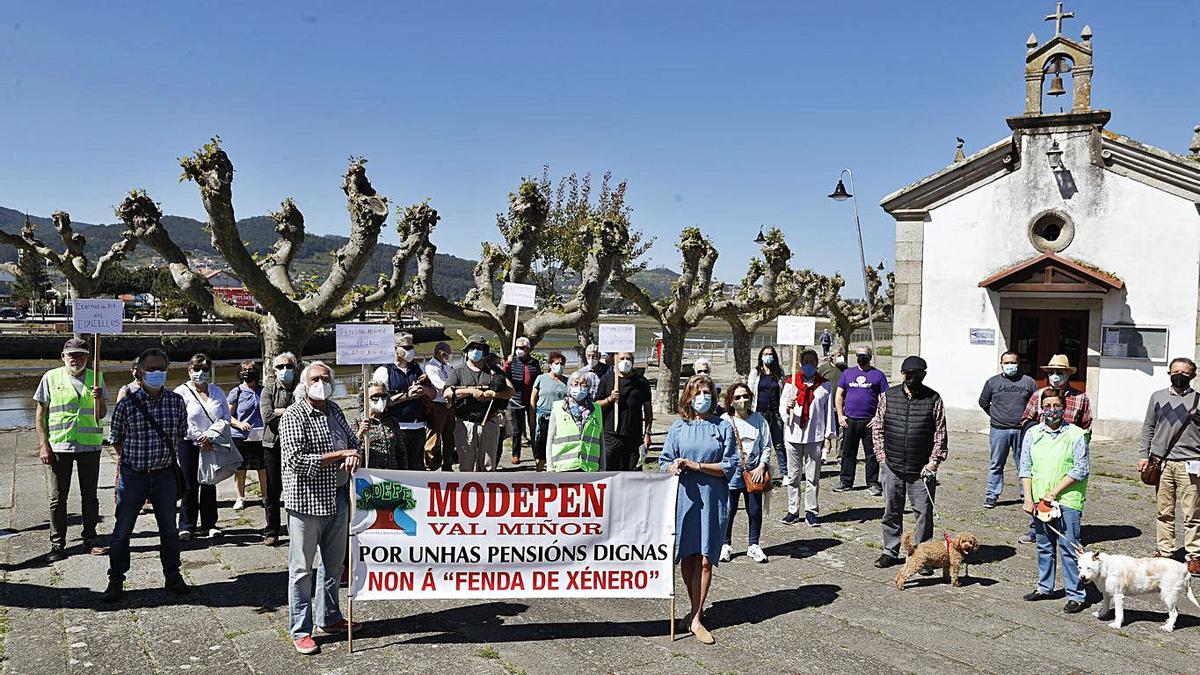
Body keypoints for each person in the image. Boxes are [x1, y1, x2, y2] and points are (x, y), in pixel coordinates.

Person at [278, 361, 362, 655]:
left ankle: (330, 616)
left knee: (333, 565)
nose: (321, 382)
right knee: (301, 570)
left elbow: (354, 444)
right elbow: (295, 460)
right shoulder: (293, 415)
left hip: (338, 498)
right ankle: (301, 629)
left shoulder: (336, 410)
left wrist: (354, 455)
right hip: (305, 503)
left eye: (326, 378)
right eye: (315, 378)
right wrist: (341, 453)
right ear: (305, 382)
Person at [103, 348, 191, 602]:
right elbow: (116, 440)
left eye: (160, 369)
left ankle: (173, 576)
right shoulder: (127, 404)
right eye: (150, 369)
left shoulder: (176, 402)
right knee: (122, 531)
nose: (156, 374)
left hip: (164, 476)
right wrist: (135, 463)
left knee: (169, 531)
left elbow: (180, 433)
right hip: (133, 477)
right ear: (140, 372)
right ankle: (116, 579)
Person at [660, 375, 738, 644]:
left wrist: (699, 466)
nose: (702, 396)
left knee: (706, 558)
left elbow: (730, 466)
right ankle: (696, 608)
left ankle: (694, 618)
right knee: (689, 556)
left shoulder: (723, 427)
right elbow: (664, 461)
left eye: (707, 392)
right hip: (685, 497)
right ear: (688, 397)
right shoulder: (678, 427)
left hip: (713, 497)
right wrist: (673, 466)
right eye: (697, 392)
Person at [35, 337, 109, 562]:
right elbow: (40, 414)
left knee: (90, 497)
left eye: (81, 355)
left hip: (89, 446)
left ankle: (91, 539)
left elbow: (102, 414)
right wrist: (43, 445)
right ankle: (57, 544)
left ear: (88, 357)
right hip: (59, 445)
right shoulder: (51, 377)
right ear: (63, 357)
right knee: (57, 498)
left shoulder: (96, 377)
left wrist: (99, 400)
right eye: (72, 355)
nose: (76, 359)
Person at [871, 356, 948, 569]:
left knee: (923, 513)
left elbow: (940, 433)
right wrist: (882, 459)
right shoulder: (888, 396)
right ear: (903, 374)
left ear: (923, 375)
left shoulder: (933, 398)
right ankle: (890, 550)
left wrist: (933, 462)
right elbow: (878, 427)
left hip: (921, 468)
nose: (913, 378)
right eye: (909, 374)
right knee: (891, 510)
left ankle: (923, 556)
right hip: (892, 464)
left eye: (917, 375)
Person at [1020, 388, 1090, 613]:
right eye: (1047, 406)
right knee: (1043, 545)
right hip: (1040, 501)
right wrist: (1028, 498)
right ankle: (1044, 587)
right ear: (1041, 408)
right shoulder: (1033, 433)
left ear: (1064, 408)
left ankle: (1076, 594)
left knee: (1069, 547)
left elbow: (1080, 468)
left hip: (1067, 499)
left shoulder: (1077, 434)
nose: (1052, 410)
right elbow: (1025, 467)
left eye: (1056, 406)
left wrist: (1054, 493)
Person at [1018, 354, 1092, 544]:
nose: (1055, 376)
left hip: (1069, 449)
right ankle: (1036, 529)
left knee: (1068, 499)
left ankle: (1069, 531)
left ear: (1067, 374)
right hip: (1043, 447)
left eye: (1060, 372)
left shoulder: (1080, 398)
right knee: (1038, 493)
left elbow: (1086, 424)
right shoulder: (1038, 395)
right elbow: (1027, 418)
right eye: (1052, 372)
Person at [1138, 357, 1200, 575]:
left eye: (1185, 372)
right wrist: (1143, 455)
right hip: (1161, 463)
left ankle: (1194, 556)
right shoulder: (1157, 397)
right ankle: (1165, 551)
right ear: (1169, 373)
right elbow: (1148, 427)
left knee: (1192, 512)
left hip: (1190, 464)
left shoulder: (1198, 400)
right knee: (1164, 511)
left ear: (1193, 375)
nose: (1180, 375)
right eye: (1176, 371)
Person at [174, 353, 230, 541]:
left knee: (209, 482)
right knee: (190, 484)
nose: (200, 373)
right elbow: (179, 420)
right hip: (189, 442)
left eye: (204, 369)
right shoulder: (180, 392)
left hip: (212, 442)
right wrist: (199, 437)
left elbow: (225, 418)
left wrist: (211, 436)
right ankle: (186, 525)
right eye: (196, 369)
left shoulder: (217, 392)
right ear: (189, 370)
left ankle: (209, 524)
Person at [779, 350, 836, 527]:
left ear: (817, 363)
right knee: (793, 476)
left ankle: (811, 510)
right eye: (805, 361)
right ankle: (793, 510)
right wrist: (788, 407)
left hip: (814, 436)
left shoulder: (824, 386)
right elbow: (782, 409)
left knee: (812, 477)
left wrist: (828, 437)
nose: (808, 364)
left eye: (812, 361)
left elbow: (828, 413)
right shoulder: (790, 384)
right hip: (793, 435)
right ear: (800, 364)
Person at [444, 336, 514, 471]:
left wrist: (494, 394)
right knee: (466, 465)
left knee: (488, 466)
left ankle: (487, 492)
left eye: (479, 348)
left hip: (490, 422)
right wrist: (471, 392)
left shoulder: (494, 370)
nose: (475, 351)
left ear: (484, 351)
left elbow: (510, 391)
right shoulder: (458, 371)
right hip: (466, 424)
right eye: (472, 348)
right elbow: (447, 393)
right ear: (467, 351)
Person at [720, 382, 772, 563]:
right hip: (732, 472)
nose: (743, 400)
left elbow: (766, 446)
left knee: (755, 510)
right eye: (737, 397)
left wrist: (762, 466)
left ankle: (754, 545)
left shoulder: (759, 420)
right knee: (728, 509)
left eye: (745, 396)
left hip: (754, 472)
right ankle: (725, 544)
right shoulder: (725, 420)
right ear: (730, 401)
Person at [978, 351, 1037, 508]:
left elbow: (1036, 404)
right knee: (996, 463)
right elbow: (983, 401)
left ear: (1018, 364)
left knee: (1024, 464)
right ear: (1001, 364)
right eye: (1007, 363)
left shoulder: (1029, 382)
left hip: (1022, 430)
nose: (1010, 365)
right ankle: (992, 494)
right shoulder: (992, 382)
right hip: (999, 430)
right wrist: (996, 415)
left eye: (1013, 362)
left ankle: (1027, 495)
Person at [372, 333, 434, 471]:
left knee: (416, 468)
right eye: (407, 347)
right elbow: (377, 403)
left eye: (412, 347)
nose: (410, 351)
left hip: (418, 428)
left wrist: (423, 390)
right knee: (397, 468)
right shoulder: (384, 371)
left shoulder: (417, 369)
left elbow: (433, 394)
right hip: (395, 429)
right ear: (395, 348)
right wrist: (407, 396)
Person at [835, 345, 888, 495]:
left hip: (870, 422)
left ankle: (872, 483)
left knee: (872, 454)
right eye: (859, 355)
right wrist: (840, 415)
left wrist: (879, 418)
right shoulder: (847, 373)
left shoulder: (878, 375)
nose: (862, 358)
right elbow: (839, 395)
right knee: (848, 453)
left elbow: (885, 398)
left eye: (865, 355)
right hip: (849, 420)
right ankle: (845, 481)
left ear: (870, 357)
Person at [259, 351, 299, 546]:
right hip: (273, 445)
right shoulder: (268, 390)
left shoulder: (303, 388)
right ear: (274, 371)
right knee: (273, 491)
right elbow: (267, 417)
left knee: (297, 488)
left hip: (298, 445)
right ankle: (272, 530)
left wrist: (281, 412)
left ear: (296, 368)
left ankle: (297, 529)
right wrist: (293, 412)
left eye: (289, 366)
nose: (285, 370)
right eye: (280, 367)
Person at [595, 352, 653, 471]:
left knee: (633, 471)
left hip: (634, 436)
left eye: (628, 358)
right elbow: (596, 405)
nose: (625, 361)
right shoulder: (607, 380)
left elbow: (647, 409)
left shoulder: (641, 382)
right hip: (611, 435)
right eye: (622, 358)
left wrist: (647, 433)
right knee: (609, 469)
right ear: (616, 360)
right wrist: (609, 399)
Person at [227, 360, 266, 513]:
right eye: (244, 369)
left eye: (251, 369)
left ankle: (265, 496)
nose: (247, 372)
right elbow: (227, 416)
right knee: (240, 469)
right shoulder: (236, 392)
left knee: (263, 469)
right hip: (240, 436)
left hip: (260, 435)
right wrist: (239, 424)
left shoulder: (263, 391)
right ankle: (240, 498)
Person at [546, 371, 605, 472]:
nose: (579, 387)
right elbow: (550, 439)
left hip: (589, 467)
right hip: (564, 467)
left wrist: (602, 467)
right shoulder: (558, 407)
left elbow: (600, 441)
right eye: (576, 384)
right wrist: (550, 466)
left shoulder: (596, 409)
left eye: (584, 385)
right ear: (569, 386)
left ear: (588, 388)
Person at [749, 345, 787, 476]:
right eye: (765, 354)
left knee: (779, 443)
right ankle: (760, 469)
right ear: (761, 356)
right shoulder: (755, 372)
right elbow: (750, 391)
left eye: (770, 354)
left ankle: (784, 473)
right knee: (760, 443)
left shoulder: (779, 373)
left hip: (776, 412)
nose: (767, 356)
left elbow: (783, 392)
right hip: (759, 411)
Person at [504, 336, 541, 465]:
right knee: (516, 430)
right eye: (517, 347)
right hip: (515, 400)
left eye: (522, 348)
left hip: (531, 400)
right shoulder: (512, 361)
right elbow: (502, 376)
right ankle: (515, 454)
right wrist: (507, 363)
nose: (519, 350)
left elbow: (538, 380)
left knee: (534, 428)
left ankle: (537, 455)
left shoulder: (534, 363)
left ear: (528, 349)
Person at [530, 351, 569, 472]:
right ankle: (539, 471)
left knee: (557, 446)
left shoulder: (567, 382)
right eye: (557, 363)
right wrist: (532, 418)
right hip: (543, 417)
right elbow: (533, 398)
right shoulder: (541, 378)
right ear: (550, 364)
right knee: (541, 447)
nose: (559, 366)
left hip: (560, 418)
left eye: (562, 363)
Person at [355, 381, 405, 470]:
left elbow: (401, 451)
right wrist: (360, 434)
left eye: (383, 396)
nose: (380, 400)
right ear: (365, 399)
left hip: (392, 473)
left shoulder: (392, 421)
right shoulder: (357, 422)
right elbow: (351, 448)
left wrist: (403, 472)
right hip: (370, 475)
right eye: (375, 396)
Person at [423, 341, 457, 470]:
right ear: (442, 354)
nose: (450, 356)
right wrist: (456, 389)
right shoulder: (431, 367)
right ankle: (431, 464)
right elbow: (440, 384)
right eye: (448, 354)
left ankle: (447, 464)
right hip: (437, 405)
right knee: (434, 436)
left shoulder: (446, 366)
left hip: (449, 404)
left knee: (449, 436)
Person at [818, 347, 849, 465]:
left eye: (842, 355)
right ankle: (823, 454)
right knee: (824, 432)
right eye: (838, 355)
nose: (840, 357)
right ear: (831, 356)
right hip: (826, 407)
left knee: (842, 433)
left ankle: (840, 457)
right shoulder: (823, 368)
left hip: (841, 407)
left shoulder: (846, 370)